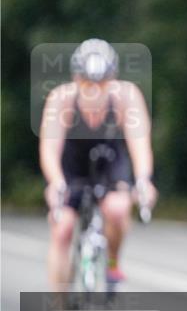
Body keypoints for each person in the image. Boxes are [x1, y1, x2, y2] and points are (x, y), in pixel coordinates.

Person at [39, 39, 157, 291]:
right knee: (62, 229)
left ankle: (112, 261)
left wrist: (144, 179)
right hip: (72, 165)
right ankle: (59, 306)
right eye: (86, 82)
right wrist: (56, 182)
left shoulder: (127, 96)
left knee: (117, 209)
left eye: (101, 82)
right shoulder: (61, 99)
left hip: (109, 161)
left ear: (112, 78)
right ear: (75, 78)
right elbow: (50, 148)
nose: (94, 89)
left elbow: (139, 144)